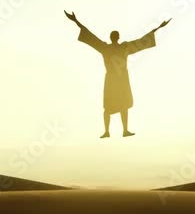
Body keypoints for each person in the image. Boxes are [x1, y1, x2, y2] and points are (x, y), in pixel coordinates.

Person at [64, 10, 172, 138]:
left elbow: (90, 36)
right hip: (120, 79)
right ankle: (122, 130)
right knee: (122, 105)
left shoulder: (105, 48)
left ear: (111, 38)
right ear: (118, 37)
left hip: (112, 79)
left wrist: (76, 21)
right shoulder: (123, 47)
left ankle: (108, 131)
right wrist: (158, 28)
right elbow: (142, 41)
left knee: (110, 107)